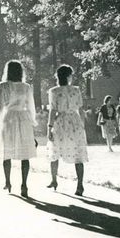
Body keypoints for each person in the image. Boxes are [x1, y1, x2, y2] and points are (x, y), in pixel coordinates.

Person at [0, 60, 37, 198]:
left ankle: (8, 181)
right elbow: (30, 106)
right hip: (23, 118)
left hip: (8, 118)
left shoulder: (2, 86)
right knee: (25, 154)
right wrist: (32, 121)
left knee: (6, 151)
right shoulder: (26, 87)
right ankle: (24, 184)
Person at [46, 65, 88, 195]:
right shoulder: (76, 90)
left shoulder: (54, 91)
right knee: (78, 153)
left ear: (58, 76)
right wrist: (82, 124)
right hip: (74, 121)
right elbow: (80, 109)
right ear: (69, 76)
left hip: (61, 121)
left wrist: (49, 127)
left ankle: (54, 180)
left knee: (55, 150)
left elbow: (53, 110)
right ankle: (80, 185)